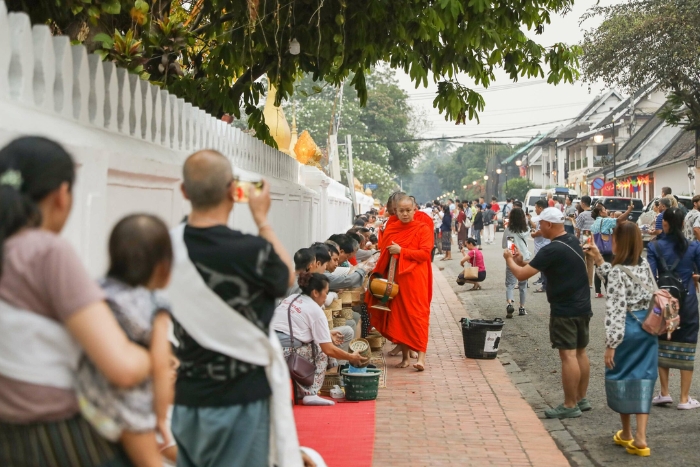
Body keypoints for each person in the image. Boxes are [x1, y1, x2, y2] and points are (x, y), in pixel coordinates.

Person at [0, 137, 152, 466]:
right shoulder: (44, 251)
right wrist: (153, 358)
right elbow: (122, 367)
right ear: (62, 195)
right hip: (58, 441)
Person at [167, 149, 302, 467]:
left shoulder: (165, 248)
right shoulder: (252, 250)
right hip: (242, 394)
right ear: (233, 190)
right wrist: (262, 220)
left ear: (185, 191)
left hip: (187, 397)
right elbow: (286, 278)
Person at [76, 214, 176, 466]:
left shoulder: (94, 291)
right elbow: (161, 367)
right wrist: (162, 417)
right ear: (163, 267)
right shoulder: (155, 305)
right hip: (133, 411)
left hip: (91, 404)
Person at [503, 207, 592, 419]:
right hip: (582, 306)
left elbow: (523, 275)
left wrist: (508, 260)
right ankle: (581, 398)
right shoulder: (571, 240)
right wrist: (519, 260)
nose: (537, 226)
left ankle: (570, 404)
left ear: (549, 225)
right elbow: (532, 266)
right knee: (580, 352)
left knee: (568, 355)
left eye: (540, 223)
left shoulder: (551, 250)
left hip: (565, 308)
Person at [585, 222, 657, 457]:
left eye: (614, 237)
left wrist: (611, 345)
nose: (611, 241)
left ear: (620, 242)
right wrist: (598, 260)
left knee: (622, 378)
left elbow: (615, 309)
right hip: (647, 329)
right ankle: (641, 438)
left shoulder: (618, 271)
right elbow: (624, 282)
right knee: (644, 378)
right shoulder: (644, 264)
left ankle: (626, 432)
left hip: (627, 329)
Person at [272, 273, 367, 407]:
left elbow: (294, 327)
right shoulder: (315, 310)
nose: (326, 297)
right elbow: (328, 349)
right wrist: (350, 356)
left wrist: (327, 334)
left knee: (320, 343)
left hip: (268, 346)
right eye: (326, 293)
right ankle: (311, 393)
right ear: (316, 292)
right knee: (322, 352)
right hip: (284, 351)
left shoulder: (292, 298)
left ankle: (304, 388)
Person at [367, 194, 433, 371]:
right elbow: (384, 254)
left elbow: (424, 254)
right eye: (401, 211)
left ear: (414, 210)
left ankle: (421, 358)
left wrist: (401, 250)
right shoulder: (392, 228)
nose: (405, 214)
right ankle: (405, 357)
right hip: (397, 278)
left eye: (408, 210)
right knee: (400, 316)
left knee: (418, 314)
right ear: (395, 211)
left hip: (417, 277)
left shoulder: (423, 228)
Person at [647, 207, 700, 410]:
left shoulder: (655, 246)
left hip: (664, 302)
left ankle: (665, 393)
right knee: (687, 342)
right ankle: (685, 398)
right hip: (687, 301)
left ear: (666, 224)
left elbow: (651, 276)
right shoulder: (694, 246)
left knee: (662, 340)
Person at [591, 202, 634, 298]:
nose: (606, 211)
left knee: (598, 269)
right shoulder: (605, 221)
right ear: (600, 212)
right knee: (608, 269)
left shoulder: (594, 222)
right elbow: (619, 219)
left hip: (597, 248)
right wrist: (629, 210)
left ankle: (598, 291)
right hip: (606, 249)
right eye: (604, 210)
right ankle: (609, 290)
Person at [502, 207, 531, 318]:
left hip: (513, 257)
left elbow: (506, 245)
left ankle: (509, 303)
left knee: (510, 283)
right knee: (523, 284)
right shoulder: (526, 229)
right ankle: (522, 307)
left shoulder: (509, 229)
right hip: (524, 259)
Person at [576, 196, 596, 288]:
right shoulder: (594, 213)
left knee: (581, 260)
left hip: (585, 236)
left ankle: (581, 281)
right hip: (592, 237)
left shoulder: (582, 215)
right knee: (590, 261)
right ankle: (590, 283)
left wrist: (576, 239)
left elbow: (578, 229)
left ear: (583, 203)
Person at [531, 199, 550, 292]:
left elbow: (541, 231)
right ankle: (544, 284)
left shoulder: (544, 218)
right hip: (543, 244)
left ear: (540, 208)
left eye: (536, 207)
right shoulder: (543, 217)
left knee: (544, 267)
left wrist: (533, 234)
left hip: (543, 245)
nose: (535, 209)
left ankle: (545, 285)